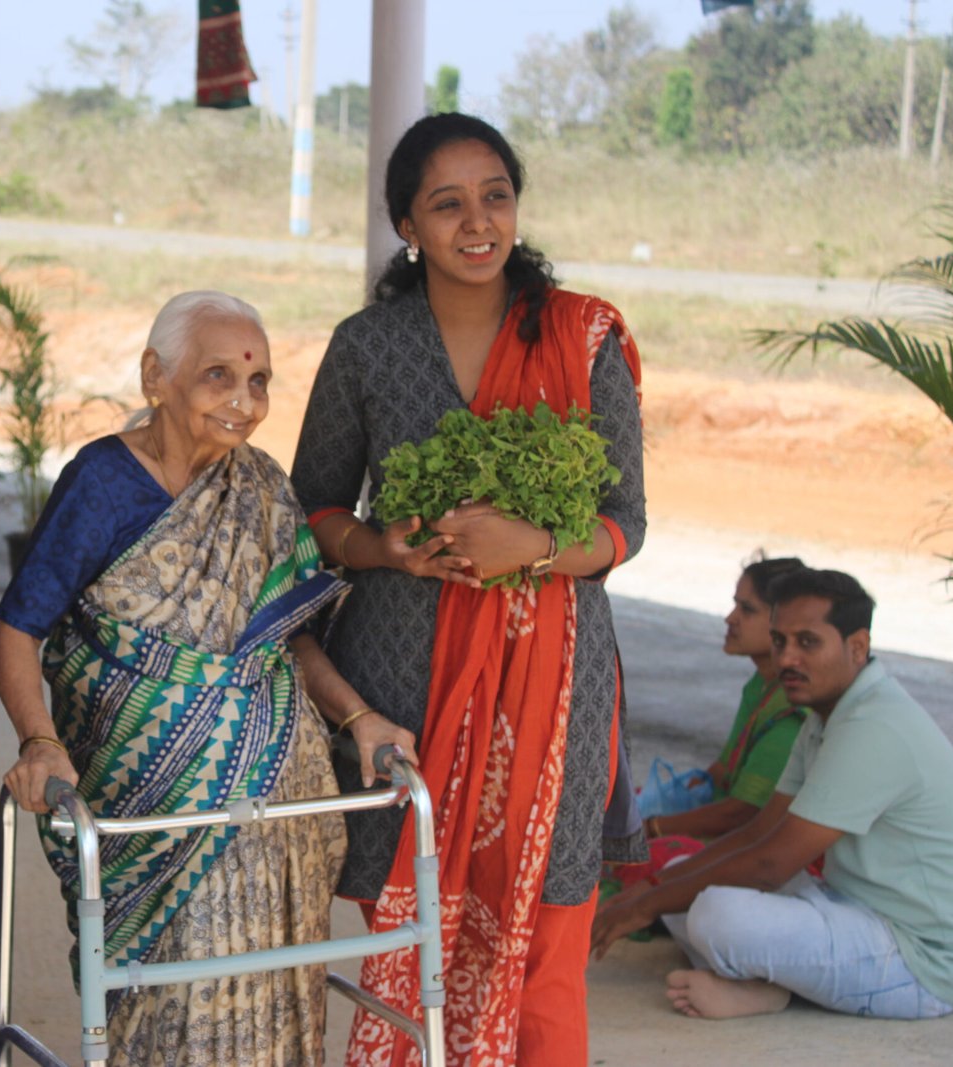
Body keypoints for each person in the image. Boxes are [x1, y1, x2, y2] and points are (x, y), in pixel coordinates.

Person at [291, 112, 647, 1066]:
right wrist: (382, 546)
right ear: (408, 225)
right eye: (447, 204)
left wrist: (531, 546)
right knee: (411, 935)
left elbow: (625, 524)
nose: (477, 221)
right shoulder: (368, 346)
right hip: (405, 680)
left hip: (554, 693)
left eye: (495, 196)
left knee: (548, 942)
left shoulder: (582, 336)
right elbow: (312, 508)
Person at [0, 290, 415, 1066]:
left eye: (258, 382)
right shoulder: (104, 482)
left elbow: (288, 639)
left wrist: (358, 716)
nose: (243, 402)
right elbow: (19, 627)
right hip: (151, 812)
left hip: (274, 805)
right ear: (155, 375)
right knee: (171, 1003)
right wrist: (39, 740)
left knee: (270, 996)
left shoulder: (263, 487)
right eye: (218, 375)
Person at [592, 569, 953, 1021]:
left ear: (857, 646)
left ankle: (766, 986)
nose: (787, 658)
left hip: (924, 961)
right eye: (780, 641)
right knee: (682, 875)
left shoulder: (874, 727)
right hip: (850, 908)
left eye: (808, 642)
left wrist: (643, 906)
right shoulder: (826, 715)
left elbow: (770, 865)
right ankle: (765, 985)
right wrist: (650, 889)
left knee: (715, 914)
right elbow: (758, 833)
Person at [639, 555, 810, 844]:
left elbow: (741, 812)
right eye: (735, 605)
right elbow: (722, 771)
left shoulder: (791, 707)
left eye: (747, 609)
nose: (730, 618)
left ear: (784, 622)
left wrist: (649, 828)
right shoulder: (761, 684)